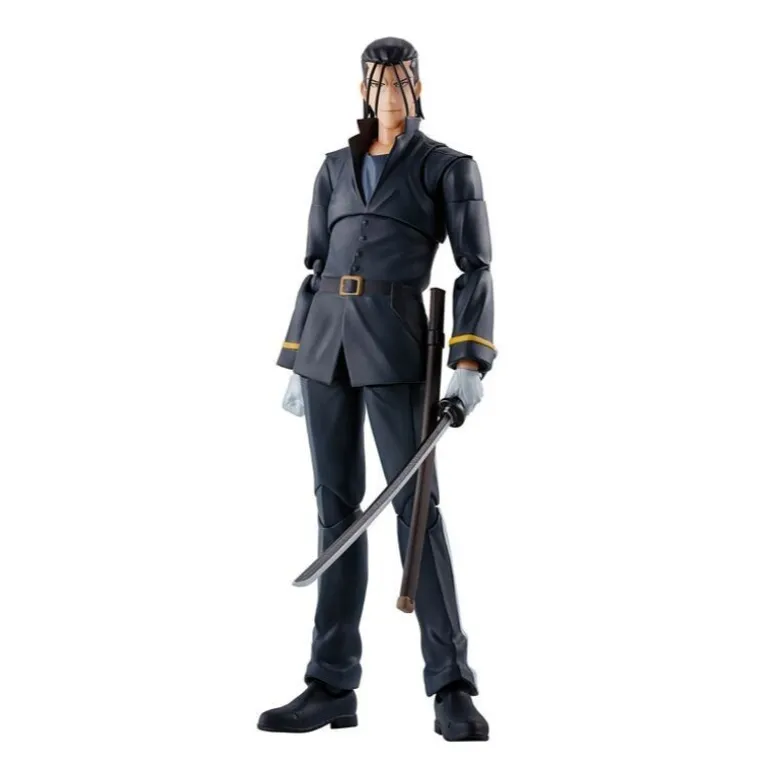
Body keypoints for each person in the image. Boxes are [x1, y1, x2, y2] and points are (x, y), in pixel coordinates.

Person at [257, 37, 496, 742]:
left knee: (417, 511)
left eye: (399, 82)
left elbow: (476, 268)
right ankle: (331, 684)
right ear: (362, 89)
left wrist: (469, 361)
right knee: (335, 513)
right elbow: (314, 267)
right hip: (324, 346)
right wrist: (295, 358)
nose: (388, 92)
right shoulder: (333, 167)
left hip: (396, 342)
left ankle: (451, 684)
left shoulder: (447, 166)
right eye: (377, 82)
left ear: (417, 86)